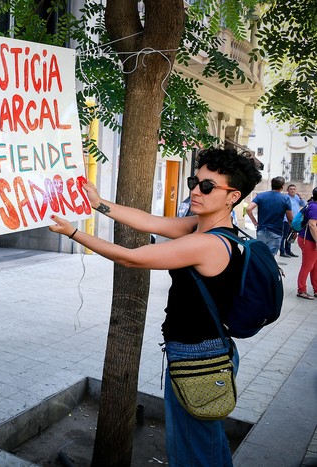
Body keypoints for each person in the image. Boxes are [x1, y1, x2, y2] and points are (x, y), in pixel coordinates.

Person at [49, 148, 261, 466]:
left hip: (198, 357)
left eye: (207, 186)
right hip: (199, 352)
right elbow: (149, 221)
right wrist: (99, 204)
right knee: (205, 444)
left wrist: (75, 233)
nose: (194, 190)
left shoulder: (209, 243)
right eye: (195, 181)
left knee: (196, 452)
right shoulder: (197, 227)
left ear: (232, 196)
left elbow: (131, 258)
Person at [246, 176, 292, 257]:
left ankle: (259, 269)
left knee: (261, 255)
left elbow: (249, 209)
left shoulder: (261, 196)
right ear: (282, 186)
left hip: (262, 229)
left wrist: (254, 221)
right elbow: (290, 218)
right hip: (276, 231)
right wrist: (293, 230)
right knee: (271, 257)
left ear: (272, 185)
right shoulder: (285, 199)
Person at [296, 188, 317, 300]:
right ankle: (301, 290)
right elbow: (312, 225)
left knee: (315, 266)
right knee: (307, 266)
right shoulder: (314, 207)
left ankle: (316, 289)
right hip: (309, 240)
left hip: (309, 239)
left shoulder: (311, 204)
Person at [281, 184, 305, 257]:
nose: (292, 190)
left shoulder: (297, 198)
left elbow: (303, 204)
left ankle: (288, 250)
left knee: (291, 236)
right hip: (286, 220)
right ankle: (282, 251)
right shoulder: (285, 198)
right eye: (291, 189)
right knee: (284, 236)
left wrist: (301, 197)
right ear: (287, 190)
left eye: (294, 189)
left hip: (295, 221)